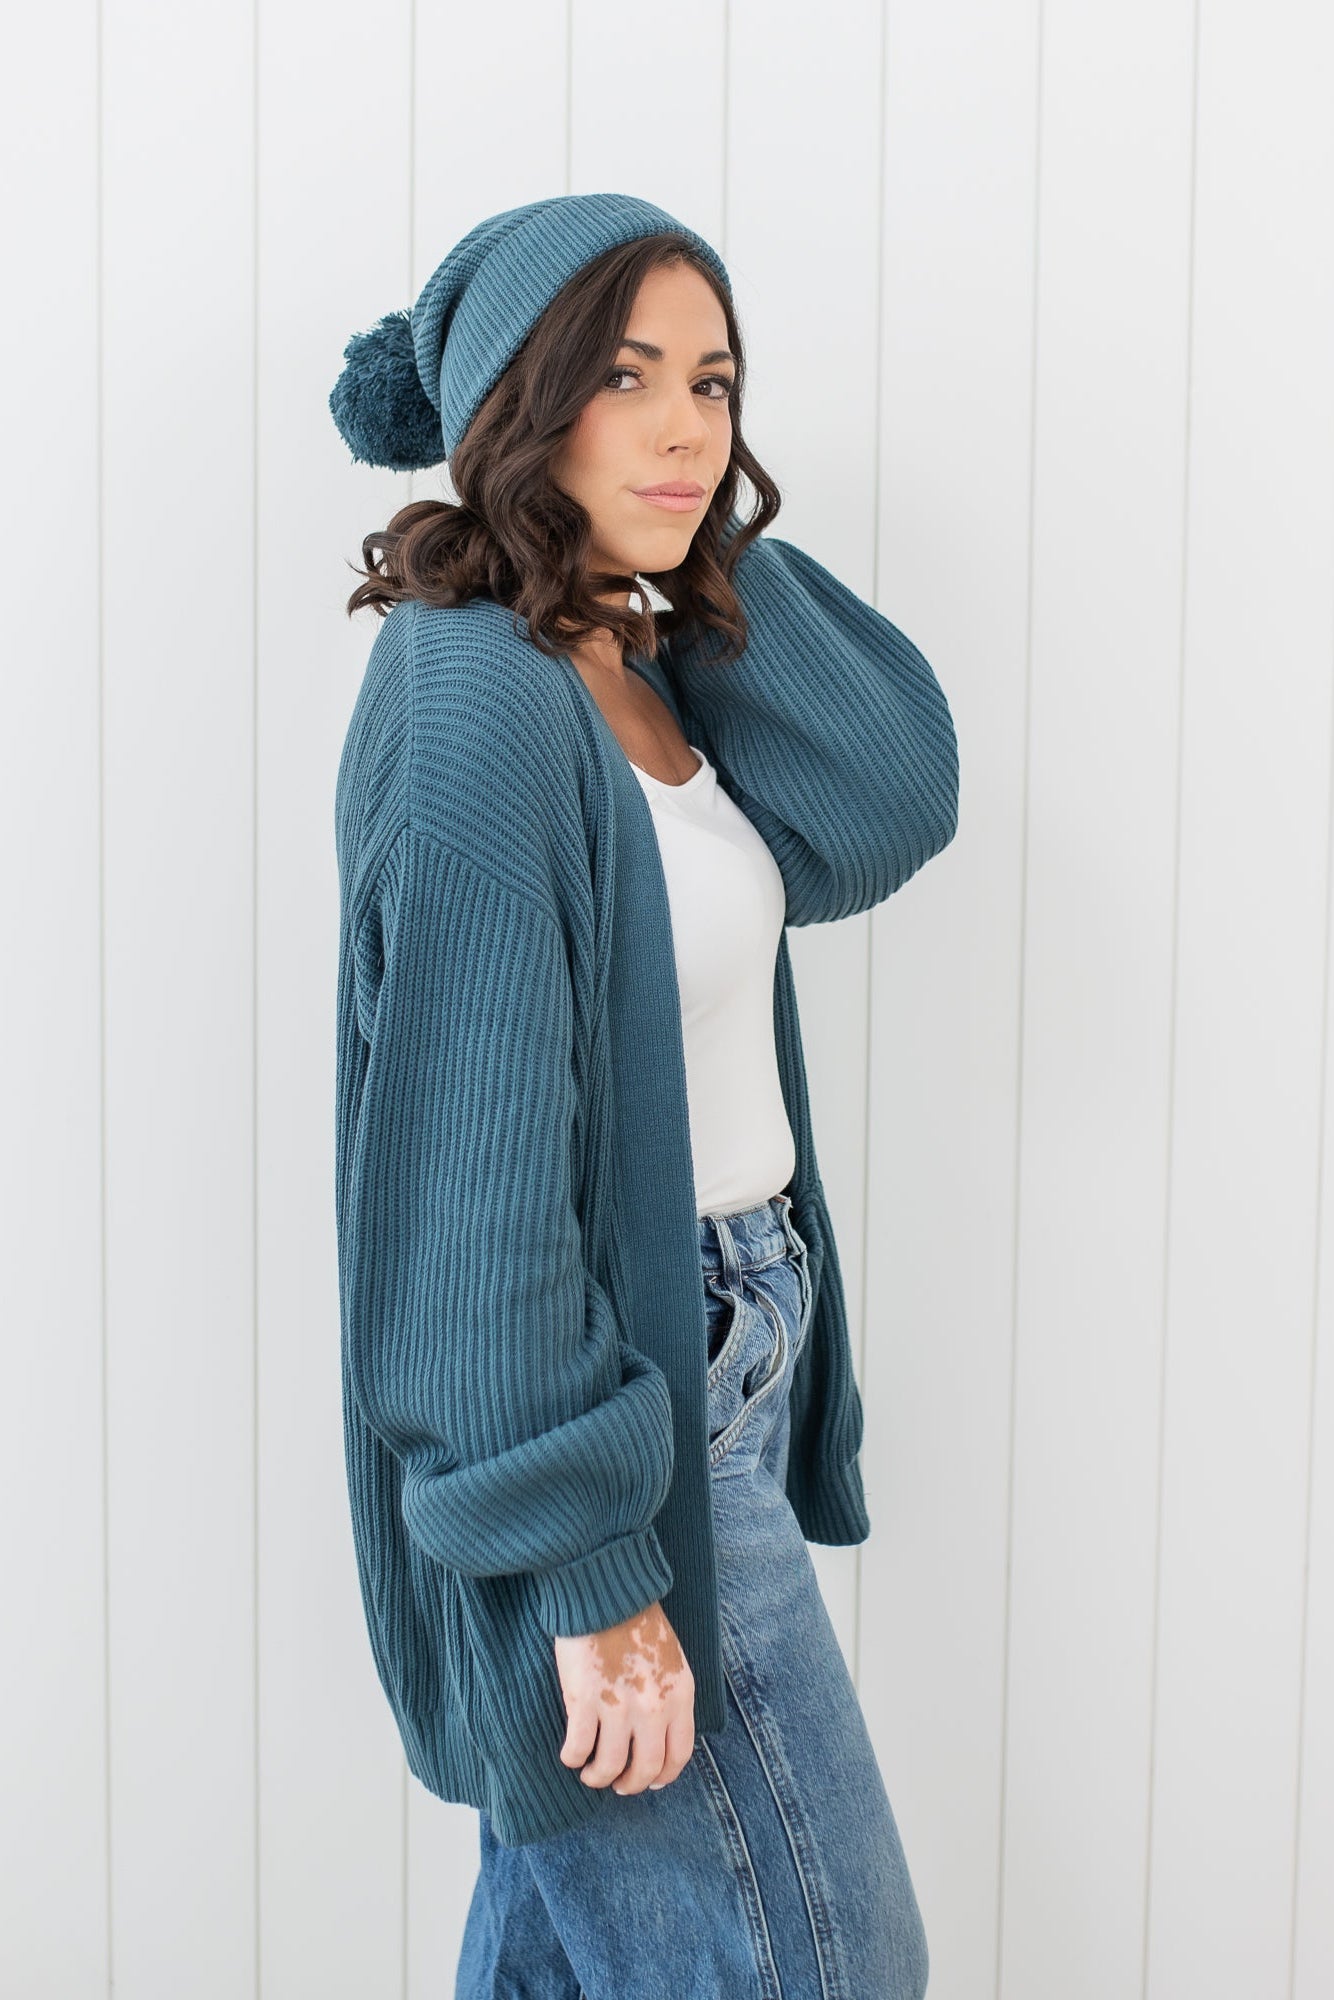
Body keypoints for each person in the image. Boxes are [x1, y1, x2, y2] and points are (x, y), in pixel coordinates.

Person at [330, 191, 958, 1998]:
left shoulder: (625, 658)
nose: (691, 428)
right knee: (822, 1968)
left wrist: (693, 564)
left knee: (570, 1956)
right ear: (519, 401)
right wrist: (591, 1566)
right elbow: (468, 1192)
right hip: (621, 1401)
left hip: (734, 1346)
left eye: (714, 380)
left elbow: (882, 801)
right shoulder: (474, 706)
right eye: (624, 379)